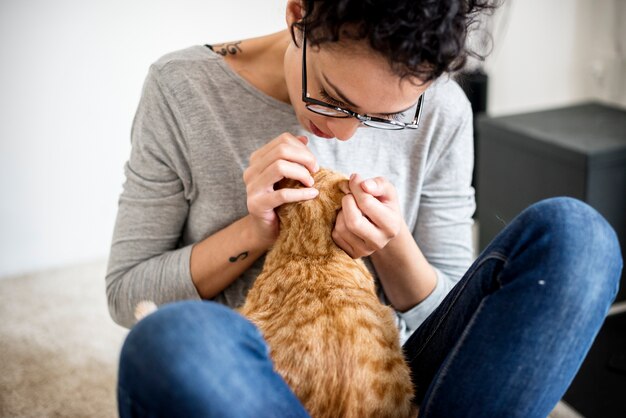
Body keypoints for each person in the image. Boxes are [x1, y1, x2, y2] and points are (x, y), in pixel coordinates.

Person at [106, 0, 623, 417]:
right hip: (251, 382)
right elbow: (127, 295)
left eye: (386, 117)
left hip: (391, 375)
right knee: (170, 341)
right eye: (330, 98)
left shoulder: (442, 110)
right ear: (296, 16)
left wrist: (393, 245)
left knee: (580, 238)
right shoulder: (181, 88)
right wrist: (254, 232)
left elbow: (462, 323)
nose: (346, 133)